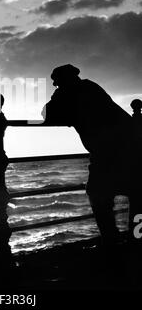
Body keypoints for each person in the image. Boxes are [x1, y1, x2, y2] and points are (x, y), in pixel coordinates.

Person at [41, 64, 140, 247]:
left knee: (98, 194)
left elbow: (47, 114)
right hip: (128, 147)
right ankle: (135, 239)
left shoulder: (72, 93)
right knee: (135, 195)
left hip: (110, 152)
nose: (56, 86)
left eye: (57, 83)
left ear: (64, 81)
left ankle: (113, 241)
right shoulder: (90, 87)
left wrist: (57, 96)